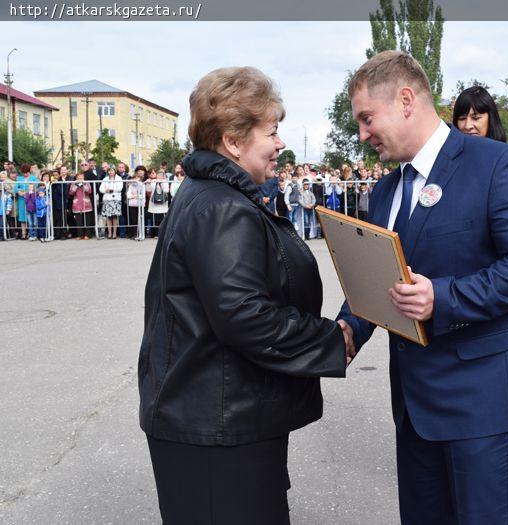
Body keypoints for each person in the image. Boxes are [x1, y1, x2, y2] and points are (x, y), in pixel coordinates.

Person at [337, 50, 508, 524]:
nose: (362, 135)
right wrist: (349, 325)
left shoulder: (499, 164)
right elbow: (383, 275)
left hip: (481, 401)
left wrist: (444, 296)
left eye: (367, 119)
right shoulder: (385, 190)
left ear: (406, 100)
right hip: (414, 403)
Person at [139, 66, 347, 525]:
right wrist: (333, 341)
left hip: (217, 414)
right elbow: (245, 317)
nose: (279, 144)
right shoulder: (222, 209)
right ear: (233, 141)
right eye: (271, 132)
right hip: (216, 426)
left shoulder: (214, 194)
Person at [100, 167, 123, 239]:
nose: (111, 172)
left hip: (116, 199)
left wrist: (112, 190)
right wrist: (106, 190)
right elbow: (101, 189)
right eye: (109, 170)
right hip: (107, 199)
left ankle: (114, 233)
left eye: (112, 170)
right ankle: (109, 233)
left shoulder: (119, 178)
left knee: (115, 217)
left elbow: (120, 188)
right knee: (108, 217)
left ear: (115, 171)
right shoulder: (105, 179)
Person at [145, 170, 169, 238]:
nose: (160, 176)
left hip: (163, 205)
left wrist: (162, 183)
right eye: (159, 175)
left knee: (162, 220)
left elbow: (166, 190)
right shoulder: (153, 181)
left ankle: (161, 234)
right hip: (154, 205)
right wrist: (148, 183)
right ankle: (154, 234)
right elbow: (148, 190)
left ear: (164, 176)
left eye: (161, 175)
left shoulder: (165, 182)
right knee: (154, 220)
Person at [69, 172, 93, 240]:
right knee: (78, 221)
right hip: (77, 204)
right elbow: (71, 192)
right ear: (76, 177)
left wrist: (83, 185)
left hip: (86, 204)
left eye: (81, 177)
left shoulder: (86, 182)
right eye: (78, 177)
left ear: (83, 177)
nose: (80, 178)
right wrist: (76, 185)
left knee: (87, 220)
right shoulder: (73, 183)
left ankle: (87, 234)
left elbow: (89, 191)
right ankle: (80, 235)